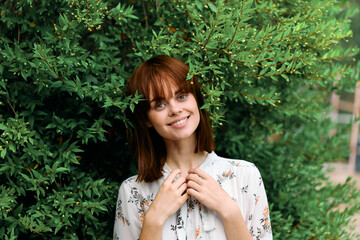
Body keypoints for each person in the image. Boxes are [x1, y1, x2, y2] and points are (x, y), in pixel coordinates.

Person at [113, 55, 272, 240]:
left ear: (196, 99)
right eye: (159, 105)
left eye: (181, 96)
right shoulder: (133, 191)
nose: (174, 109)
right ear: (147, 119)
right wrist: (154, 219)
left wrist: (229, 211)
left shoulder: (244, 175)